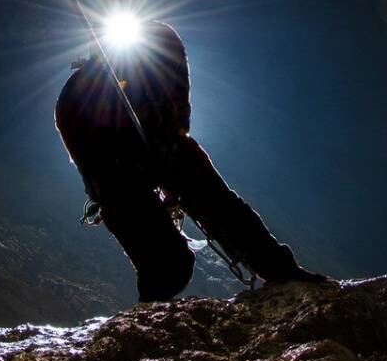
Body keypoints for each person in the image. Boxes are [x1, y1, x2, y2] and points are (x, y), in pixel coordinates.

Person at [55, 17, 327, 301]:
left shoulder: (158, 45)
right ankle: (154, 306)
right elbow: (99, 172)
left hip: (158, 149)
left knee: (216, 205)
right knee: (171, 265)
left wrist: (170, 150)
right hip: (117, 175)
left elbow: (178, 114)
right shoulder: (75, 100)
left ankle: (278, 267)